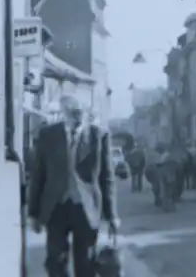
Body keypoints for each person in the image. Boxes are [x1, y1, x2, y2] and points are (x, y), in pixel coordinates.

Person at [28, 95, 119, 277]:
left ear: (86, 115)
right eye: (71, 113)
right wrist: (33, 213)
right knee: (55, 262)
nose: (76, 118)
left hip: (86, 210)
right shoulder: (48, 135)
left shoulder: (98, 136)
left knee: (85, 264)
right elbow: (38, 175)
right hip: (56, 207)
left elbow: (107, 178)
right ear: (64, 114)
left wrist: (111, 216)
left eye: (80, 113)